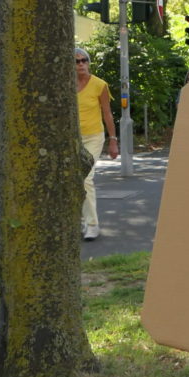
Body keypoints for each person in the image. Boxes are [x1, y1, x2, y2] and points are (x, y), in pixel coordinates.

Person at [75, 47, 118, 241]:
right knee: (70, 181)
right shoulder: (64, 85)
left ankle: (92, 224)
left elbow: (107, 113)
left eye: (84, 60)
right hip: (71, 138)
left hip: (93, 137)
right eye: (77, 61)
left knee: (85, 178)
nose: (81, 64)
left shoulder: (100, 85)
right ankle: (77, 221)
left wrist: (113, 140)